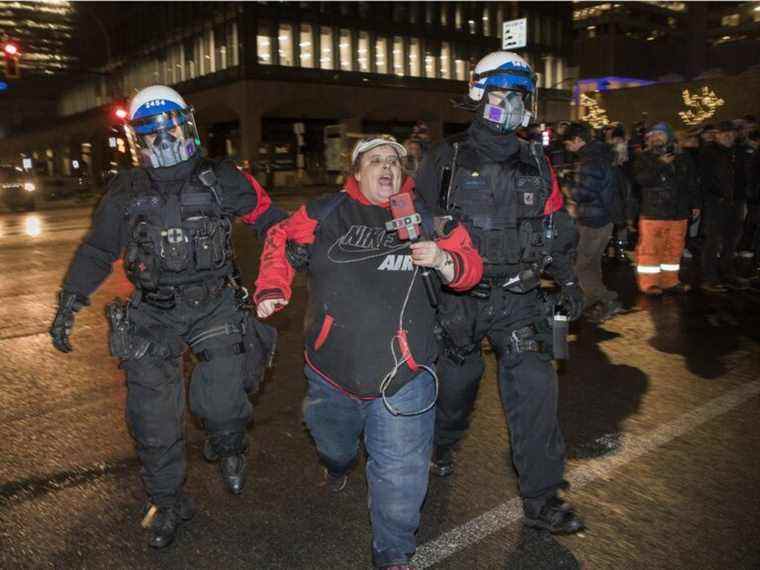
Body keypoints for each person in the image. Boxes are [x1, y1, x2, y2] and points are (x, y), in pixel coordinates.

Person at [49, 85, 285, 548]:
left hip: (215, 303)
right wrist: (70, 299)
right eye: (151, 133)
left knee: (221, 403)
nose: (164, 139)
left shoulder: (223, 177)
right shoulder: (125, 189)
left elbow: (273, 221)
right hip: (153, 313)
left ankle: (229, 440)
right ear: (137, 139)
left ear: (188, 125)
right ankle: (167, 499)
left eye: (171, 127)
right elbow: (98, 249)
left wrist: (302, 255)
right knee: (152, 418)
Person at [254, 137, 483, 569]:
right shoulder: (325, 212)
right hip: (332, 371)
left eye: (394, 162)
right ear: (357, 172)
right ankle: (337, 465)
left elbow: (469, 264)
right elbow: (279, 240)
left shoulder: (429, 218)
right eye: (375, 161)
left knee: (401, 473)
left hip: (405, 373)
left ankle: (393, 552)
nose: (386, 168)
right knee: (334, 443)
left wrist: (442, 260)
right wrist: (271, 287)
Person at [413, 51, 585, 535]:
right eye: (498, 94)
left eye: (517, 96)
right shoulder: (444, 159)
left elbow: (554, 226)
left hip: (520, 297)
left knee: (535, 392)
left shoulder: (536, 161)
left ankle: (542, 496)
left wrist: (568, 280)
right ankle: (442, 446)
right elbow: (413, 222)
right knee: (455, 390)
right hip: (458, 300)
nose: (508, 104)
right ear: (478, 96)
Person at [564, 121, 625, 322]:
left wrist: (567, 185)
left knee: (581, 266)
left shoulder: (590, 160)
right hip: (603, 217)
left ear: (578, 140)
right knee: (592, 262)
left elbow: (584, 193)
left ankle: (607, 301)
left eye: (568, 143)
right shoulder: (599, 155)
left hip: (594, 219)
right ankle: (592, 299)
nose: (567, 147)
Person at [632, 122, 700, 295]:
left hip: (678, 211)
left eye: (660, 134)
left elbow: (691, 182)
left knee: (674, 248)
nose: (655, 137)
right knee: (651, 249)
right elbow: (642, 180)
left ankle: (670, 281)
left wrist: (696, 203)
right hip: (654, 212)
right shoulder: (644, 157)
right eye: (652, 135)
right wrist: (660, 164)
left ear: (669, 136)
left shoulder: (683, 157)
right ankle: (649, 283)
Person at [699, 121, 750, 292]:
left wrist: (743, 196)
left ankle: (727, 272)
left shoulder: (739, 152)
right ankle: (709, 277)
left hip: (736, 201)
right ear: (717, 134)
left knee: (731, 239)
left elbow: (744, 176)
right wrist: (716, 196)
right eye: (723, 132)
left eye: (730, 132)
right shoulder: (708, 152)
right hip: (717, 203)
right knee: (713, 240)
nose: (728, 135)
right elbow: (705, 179)